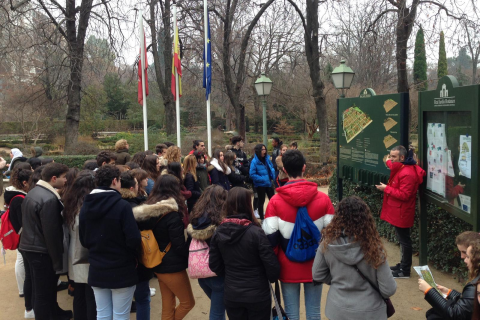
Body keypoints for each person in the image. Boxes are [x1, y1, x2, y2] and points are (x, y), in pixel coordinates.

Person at [263, 149, 335, 320]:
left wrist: (273, 265)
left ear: (285, 170)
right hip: (316, 264)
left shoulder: (275, 202)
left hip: (287, 264)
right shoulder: (324, 200)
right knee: (314, 312)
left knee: (291, 313)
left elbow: (270, 240)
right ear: (304, 167)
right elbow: (333, 235)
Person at [312, 196, 397, 320]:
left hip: (338, 310)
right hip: (370, 311)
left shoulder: (327, 244)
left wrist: (337, 280)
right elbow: (388, 289)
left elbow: (317, 274)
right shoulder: (374, 248)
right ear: (366, 219)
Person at [79, 165, 141, 319]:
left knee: (102, 313)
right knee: (120, 314)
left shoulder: (85, 205)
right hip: (122, 268)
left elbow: (83, 239)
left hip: (97, 267)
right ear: (115, 181)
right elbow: (133, 239)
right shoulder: (123, 206)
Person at [209, 187, 280, 320]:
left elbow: (214, 265)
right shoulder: (256, 233)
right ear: (248, 204)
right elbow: (272, 268)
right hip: (258, 294)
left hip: (232, 293)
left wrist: (230, 274)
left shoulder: (218, 232)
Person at [133, 175, 195, 320]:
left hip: (157, 262)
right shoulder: (172, 214)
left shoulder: (147, 211)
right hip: (172, 265)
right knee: (188, 303)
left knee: (168, 305)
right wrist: (191, 235)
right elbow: (179, 246)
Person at [19, 162, 71, 320]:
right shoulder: (48, 199)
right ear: (54, 178)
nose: (66, 180)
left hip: (30, 246)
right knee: (42, 291)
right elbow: (51, 232)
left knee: (45, 288)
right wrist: (57, 260)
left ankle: (54, 312)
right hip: (41, 251)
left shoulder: (34, 192)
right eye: (64, 177)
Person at [376, 145, 425, 278]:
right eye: (390, 156)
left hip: (402, 212)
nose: (391, 160)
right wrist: (387, 160)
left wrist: (386, 188)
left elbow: (405, 195)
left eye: (393, 157)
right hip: (399, 211)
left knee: (405, 241)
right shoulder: (402, 167)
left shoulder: (407, 173)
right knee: (403, 239)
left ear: (402, 157)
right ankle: (403, 264)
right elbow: (392, 166)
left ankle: (405, 270)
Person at [187, 185, 228, 320]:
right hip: (217, 274)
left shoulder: (195, 219)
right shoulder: (219, 223)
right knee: (217, 312)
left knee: (218, 308)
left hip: (202, 274)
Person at [63, 170, 97, 320]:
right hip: (86, 255)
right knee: (90, 295)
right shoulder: (87, 208)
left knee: (80, 293)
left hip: (74, 253)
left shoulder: (70, 203)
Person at [419, 239, 480, 320]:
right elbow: (469, 305)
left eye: (468, 257)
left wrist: (429, 291)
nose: (465, 260)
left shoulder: (475, 284)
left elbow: (454, 314)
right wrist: (449, 293)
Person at [119, 171, 152, 320]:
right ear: (132, 188)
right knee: (142, 298)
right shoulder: (135, 207)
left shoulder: (116, 203)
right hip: (136, 260)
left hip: (118, 260)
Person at [4, 168, 33, 317]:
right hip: (25, 241)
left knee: (27, 271)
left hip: (23, 240)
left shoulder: (13, 196)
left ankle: (29, 305)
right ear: (24, 183)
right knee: (29, 274)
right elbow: (23, 223)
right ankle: (29, 307)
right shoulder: (19, 199)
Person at [249, 144, 275, 219]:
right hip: (260, 185)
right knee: (261, 202)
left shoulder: (267, 159)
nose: (264, 151)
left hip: (269, 183)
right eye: (262, 150)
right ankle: (262, 218)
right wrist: (263, 179)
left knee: (273, 200)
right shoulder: (254, 161)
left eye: (265, 149)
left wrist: (272, 174)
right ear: (258, 151)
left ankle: (273, 215)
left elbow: (271, 167)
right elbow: (252, 174)